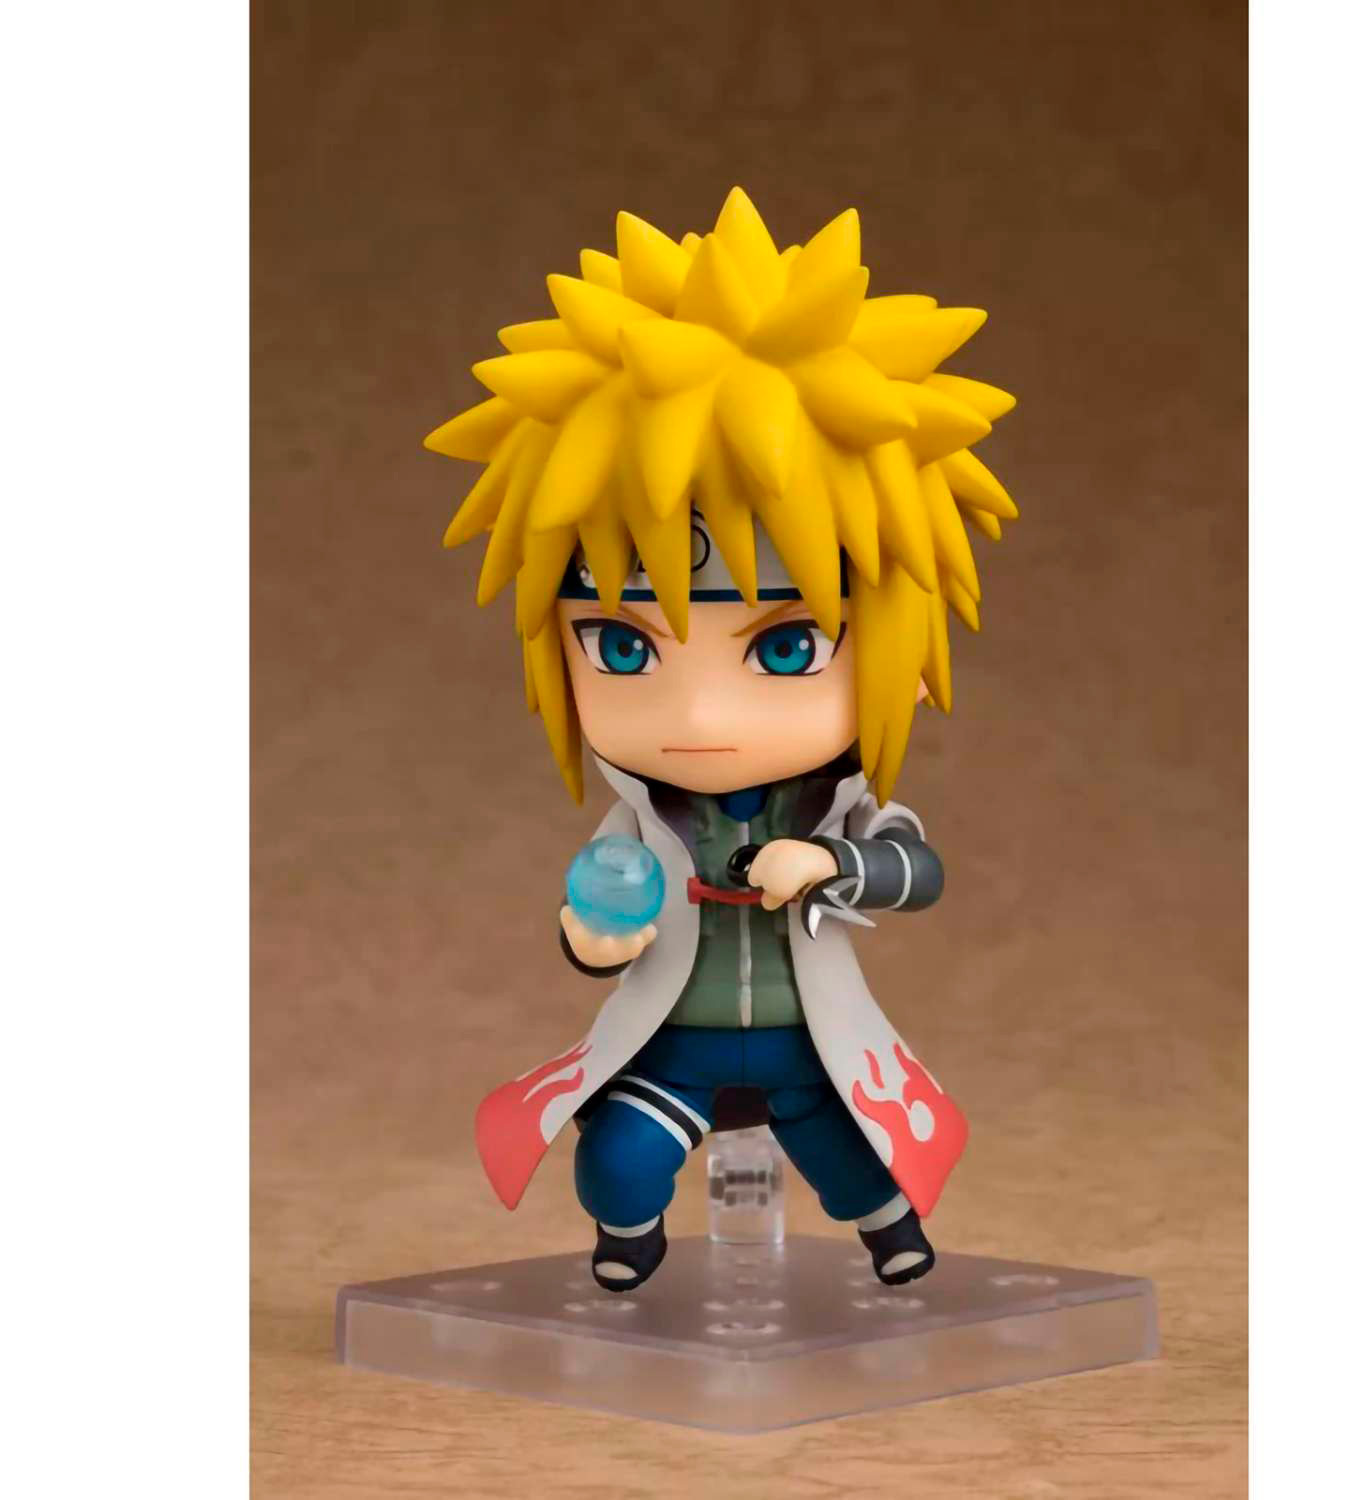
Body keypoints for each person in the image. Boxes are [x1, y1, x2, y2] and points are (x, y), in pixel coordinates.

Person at [426, 187, 1018, 1291]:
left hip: (812, 1044)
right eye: (622, 646)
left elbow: (916, 870)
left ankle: (888, 1228)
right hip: (673, 1045)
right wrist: (592, 939)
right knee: (616, 1159)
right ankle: (630, 1237)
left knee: (861, 1162)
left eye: (787, 649)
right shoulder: (643, 821)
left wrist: (829, 863)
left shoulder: (829, 808)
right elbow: (600, 908)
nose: (699, 719)